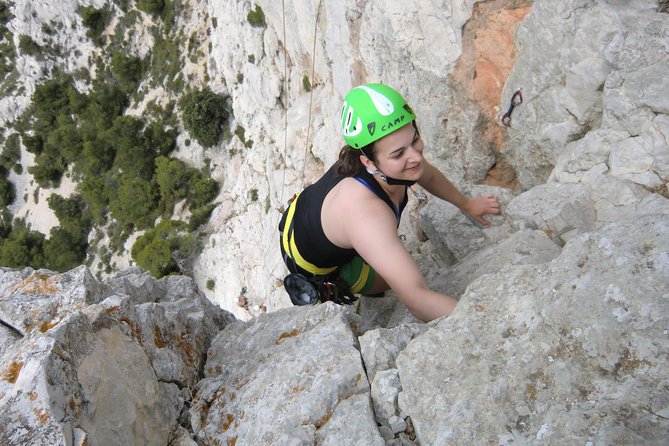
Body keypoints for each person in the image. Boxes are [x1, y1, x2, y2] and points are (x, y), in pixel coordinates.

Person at [278, 83, 500, 322]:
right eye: (398, 154)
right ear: (369, 163)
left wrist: (466, 204)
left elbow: (428, 174)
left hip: (307, 217)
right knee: (388, 281)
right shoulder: (365, 214)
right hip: (312, 263)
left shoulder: (389, 164)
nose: (415, 157)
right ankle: (330, 287)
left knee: (393, 263)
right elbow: (416, 299)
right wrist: (482, 323)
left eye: (415, 141)